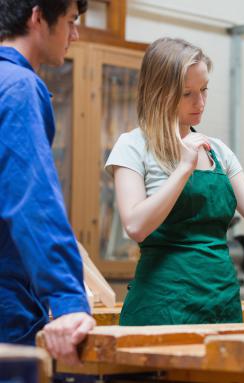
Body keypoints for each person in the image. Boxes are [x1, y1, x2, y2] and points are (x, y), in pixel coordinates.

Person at [105, 37, 244, 326]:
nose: (200, 102)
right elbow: (136, 226)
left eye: (204, 90)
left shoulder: (217, 151)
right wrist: (182, 169)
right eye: (187, 93)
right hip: (162, 306)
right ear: (159, 93)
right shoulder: (133, 146)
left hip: (221, 304)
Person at [0, 0, 95, 364]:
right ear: (38, 17)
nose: (75, 33)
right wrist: (67, 299)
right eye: (71, 21)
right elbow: (32, 199)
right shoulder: (18, 86)